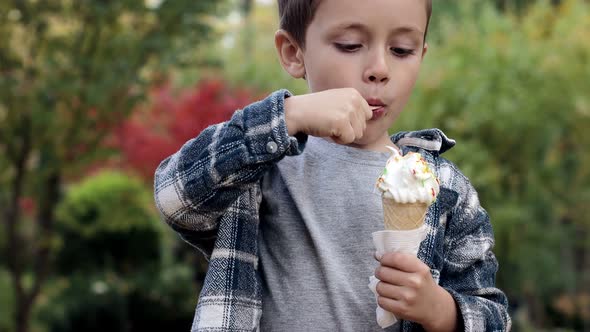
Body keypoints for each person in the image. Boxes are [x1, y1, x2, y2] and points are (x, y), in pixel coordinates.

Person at [154, 0, 511, 331]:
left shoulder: (445, 188)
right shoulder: (263, 165)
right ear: (294, 53)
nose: (379, 70)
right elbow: (174, 197)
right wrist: (287, 114)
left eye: (402, 50)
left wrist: (441, 310)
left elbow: (494, 316)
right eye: (351, 45)